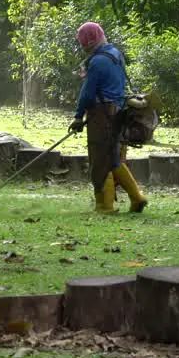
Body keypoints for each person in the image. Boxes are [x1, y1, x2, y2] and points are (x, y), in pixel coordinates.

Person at [68, 22, 147, 214]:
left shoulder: (97, 62)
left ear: (90, 40)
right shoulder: (115, 54)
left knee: (99, 160)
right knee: (113, 158)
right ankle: (137, 198)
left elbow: (87, 94)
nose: (82, 46)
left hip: (102, 114)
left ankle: (105, 206)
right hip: (118, 111)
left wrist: (78, 117)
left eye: (83, 42)